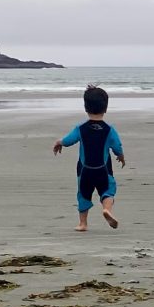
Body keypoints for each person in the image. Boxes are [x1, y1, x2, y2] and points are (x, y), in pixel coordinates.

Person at [51, 85, 127, 232]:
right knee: (108, 191)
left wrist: (58, 142)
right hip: (103, 170)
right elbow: (117, 147)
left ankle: (83, 224)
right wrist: (121, 157)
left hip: (85, 171)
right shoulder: (109, 130)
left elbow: (68, 140)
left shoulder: (80, 128)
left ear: (86, 107)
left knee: (83, 195)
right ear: (106, 108)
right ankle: (107, 210)